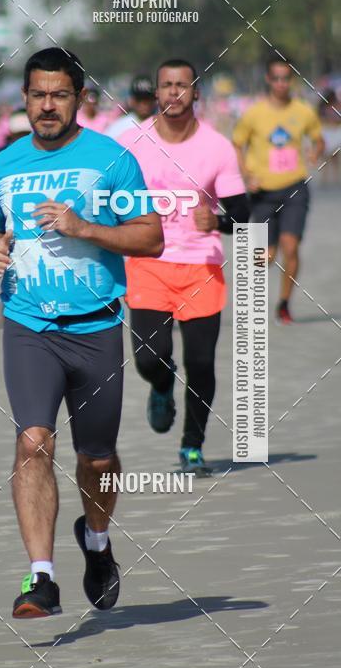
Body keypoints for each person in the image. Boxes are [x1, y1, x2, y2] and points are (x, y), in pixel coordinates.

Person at [0, 47, 163, 618]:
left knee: (98, 459)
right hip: (29, 326)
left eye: (60, 94)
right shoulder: (3, 165)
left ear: (79, 98)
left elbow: (150, 236)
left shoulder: (112, 160)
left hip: (97, 327)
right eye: (38, 95)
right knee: (33, 442)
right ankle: (41, 578)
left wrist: (85, 227)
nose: (48, 106)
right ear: (25, 99)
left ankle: (99, 544)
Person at [119, 59, 249, 476]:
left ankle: (192, 445)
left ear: (196, 93)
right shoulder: (131, 142)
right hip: (148, 262)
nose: (173, 92)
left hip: (201, 267)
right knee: (148, 358)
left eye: (182, 85)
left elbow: (243, 213)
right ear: (155, 93)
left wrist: (220, 221)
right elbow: (105, 198)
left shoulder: (217, 147)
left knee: (202, 363)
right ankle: (161, 384)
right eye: (166, 85)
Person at [233, 55, 324, 324]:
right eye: (277, 78)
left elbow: (318, 139)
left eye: (286, 78)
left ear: (291, 80)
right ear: (268, 79)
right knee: (265, 256)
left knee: (291, 246)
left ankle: (284, 303)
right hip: (262, 192)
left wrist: (315, 151)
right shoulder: (254, 113)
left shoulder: (303, 111)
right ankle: (253, 300)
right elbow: (237, 144)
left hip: (295, 188)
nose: (282, 83)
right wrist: (245, 174)